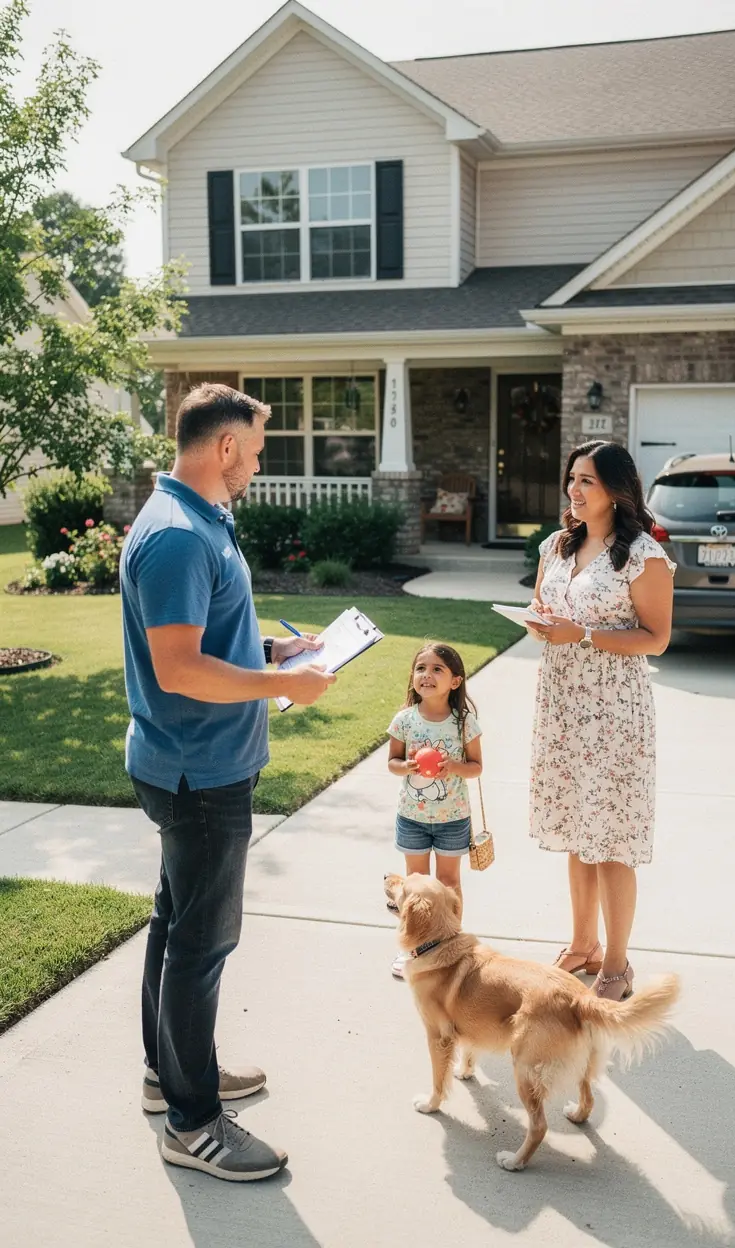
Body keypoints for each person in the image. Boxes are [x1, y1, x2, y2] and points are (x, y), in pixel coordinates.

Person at [120, 382, 335, 1181]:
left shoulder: (202, 520)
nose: (258, 461)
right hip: (198, 771)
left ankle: (171, 1073)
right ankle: (194, 1120)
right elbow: (178, 669)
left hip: (196, 764)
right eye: (255, 448)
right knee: (201, 943)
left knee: (176, 925)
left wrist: (276, 656)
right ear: (223, 448)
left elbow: (211, 638)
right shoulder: (177, 535)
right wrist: (283, 689)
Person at [527, 440, 674, 1001]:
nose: (574, 490)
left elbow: (656, 639)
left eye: (586, 481)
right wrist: (541, 623)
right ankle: (582, 943)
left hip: (614, 713)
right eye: (572, 479)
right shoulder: (556, 547)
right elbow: (545, 611)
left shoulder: (644, 557)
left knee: (610, 837)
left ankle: (616, 964)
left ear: (616, 489)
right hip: (563, 707)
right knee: (574, 830)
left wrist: (583, 634)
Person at [386, 643, 483, 978]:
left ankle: (448, 947)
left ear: (455, 681)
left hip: (452, 818)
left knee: (447, 882)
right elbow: (393, 763)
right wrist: (407, 766)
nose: (426, 675)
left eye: (437, 669)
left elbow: (476, 767)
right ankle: (413, 949)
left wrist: (453, 766)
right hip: (412, 816)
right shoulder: (404, 720)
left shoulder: (464, 723)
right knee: (414, 885)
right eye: (421, 668)